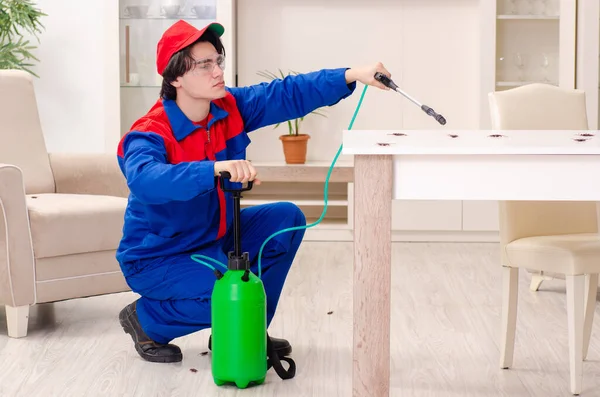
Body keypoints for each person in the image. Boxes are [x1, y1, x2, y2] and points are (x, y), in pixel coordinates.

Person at [116, 19, 391, 364]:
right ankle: (146, 321)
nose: (217, 71)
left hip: (213, 236)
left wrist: (351, 74)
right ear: (175, 77)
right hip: (158, 256)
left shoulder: (228, 107)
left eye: (218, 61)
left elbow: (287, 93)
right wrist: (212, 169)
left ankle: (243, 329)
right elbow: (146, 179)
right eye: (204, 65)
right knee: (225, 290)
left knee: (285, 219)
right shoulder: (150, 132)